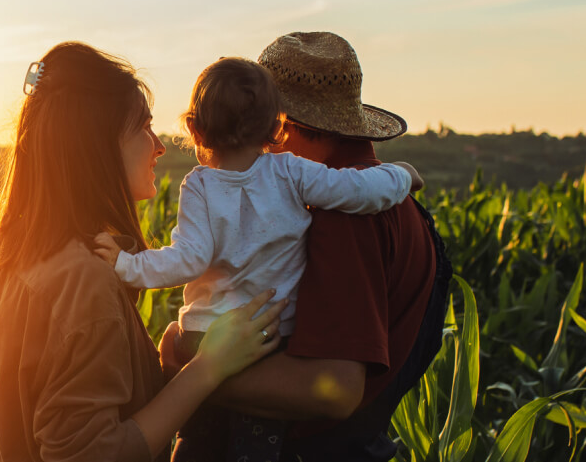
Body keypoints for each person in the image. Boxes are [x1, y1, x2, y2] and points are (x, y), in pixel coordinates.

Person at [87, 55, 423, 460]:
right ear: (275, 129)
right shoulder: (293, 173)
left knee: (198, 434)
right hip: (270, 336)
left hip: (203, 338)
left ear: (193, 128)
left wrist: (127, 267)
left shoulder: (199, 185)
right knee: (257, 436)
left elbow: (187, 259)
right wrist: (403, 174)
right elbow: (359, 190)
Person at [0, 41, 290, 462]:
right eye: (143, 127)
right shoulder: (84, 280)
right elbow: (91, 454)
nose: (158, 146)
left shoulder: (10, 252)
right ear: (97, 146)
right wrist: (208, 367)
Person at [159, 32, 453, 461]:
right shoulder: (393, 200)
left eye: (249, 133)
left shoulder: (342, 219)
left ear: (280, 127)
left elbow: (335, 389)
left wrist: (187, 368)